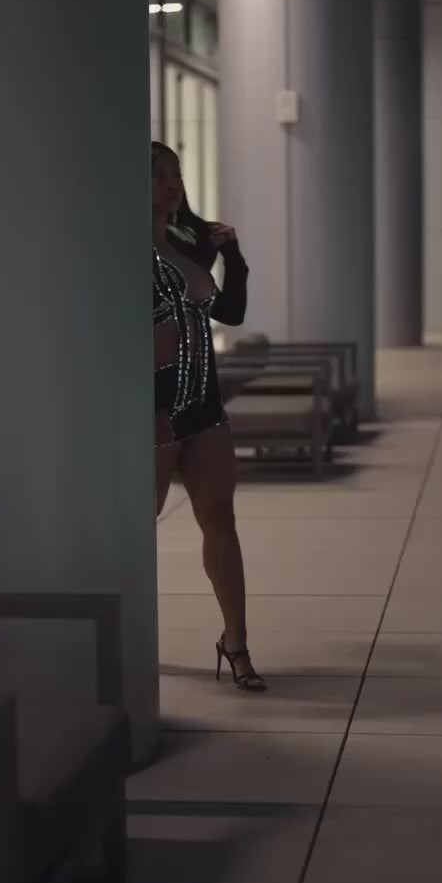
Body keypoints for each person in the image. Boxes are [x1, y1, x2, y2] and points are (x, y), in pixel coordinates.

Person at [151, 142, 266, 693]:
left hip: (204, 405)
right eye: (158, 175)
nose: (172, 184)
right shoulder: (114, 251)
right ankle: (118, 640)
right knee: (136, 531)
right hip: (151, 407)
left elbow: (231, 313)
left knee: (221, 522)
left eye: (176, 173)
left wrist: (234, 257)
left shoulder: (188, 243)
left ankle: (236, 644)